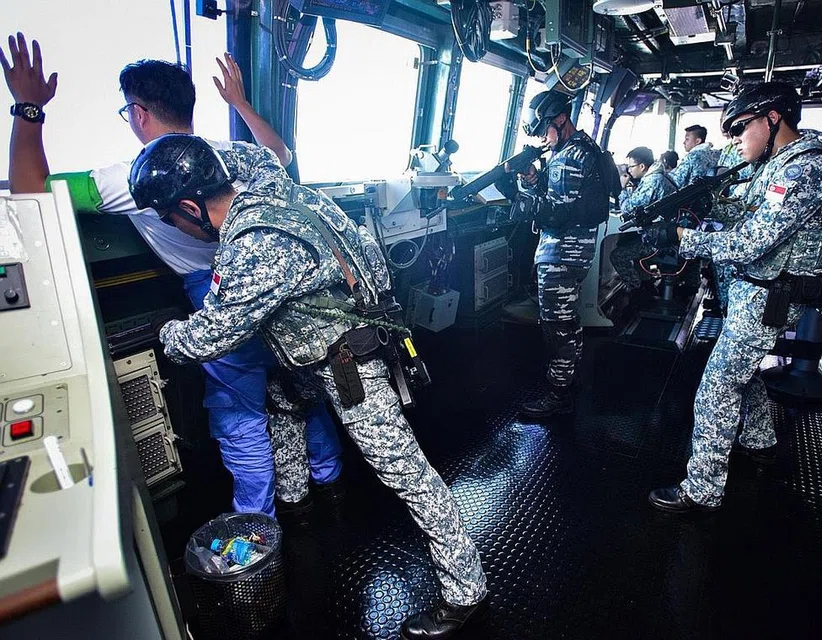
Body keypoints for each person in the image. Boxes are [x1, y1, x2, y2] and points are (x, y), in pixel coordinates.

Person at [131, 134, 488, 639]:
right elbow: (255, 151)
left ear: (191, 206)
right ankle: (296, 512)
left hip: (349, 363)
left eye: (171, 218)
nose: (174, 228)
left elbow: (207, 335)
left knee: (408, 474)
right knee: (283, 406)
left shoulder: (255, 248)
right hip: (305, 349)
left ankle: (464, 589)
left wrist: (164, 334)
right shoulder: (263, 179)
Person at [1, 33, 342, 518]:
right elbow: (280, 153)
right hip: (278, 283)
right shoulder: (229, 154)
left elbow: (30, 195)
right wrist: (240, 103)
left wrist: (28, 108)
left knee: (238, 413)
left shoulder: (133, 176)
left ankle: (258, 526)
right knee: (301, 384)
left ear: (138, 113)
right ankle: (330, 483)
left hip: (217, 296)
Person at [646, 82, 822, 513]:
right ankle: (759, 440)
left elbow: (750, 243)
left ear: (773, 117)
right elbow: (749, 216)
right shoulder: (783, 161)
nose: (736, 138)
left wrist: (682, 237)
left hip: (770, 293)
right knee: (743, 371)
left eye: (742, 127)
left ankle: (702, 489)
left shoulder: (806, 168)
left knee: (718, 385)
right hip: (761, 287)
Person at [497, 90, 610, 419]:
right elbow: (558, 200)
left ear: (560, 119)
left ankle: (558, 394)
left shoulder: (568, 158)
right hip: (572, 250)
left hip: (562, 252)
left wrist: (516, 198)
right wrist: (533, 179)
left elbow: (554, 213)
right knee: (568, 321)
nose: (539, 137)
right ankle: (568, 379)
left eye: (542, 128)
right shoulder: (578, 149)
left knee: (556, 325)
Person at [610, 146, 678, 290]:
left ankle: (638, 291)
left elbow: (628, 208)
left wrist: (622, 188)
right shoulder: (659, 175)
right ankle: (646, 284)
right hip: (666, 233)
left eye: (631, 167)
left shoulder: (653, 181)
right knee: (625, 240)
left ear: (642, 166)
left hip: (662, 240)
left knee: (617, 255)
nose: (629, 170)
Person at [671, 124, 719, 188]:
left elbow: (676, 182)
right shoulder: (715, 154)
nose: (684, 142)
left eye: (687, 139)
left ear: (697, 141)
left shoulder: (692, 157)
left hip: (688, 194)